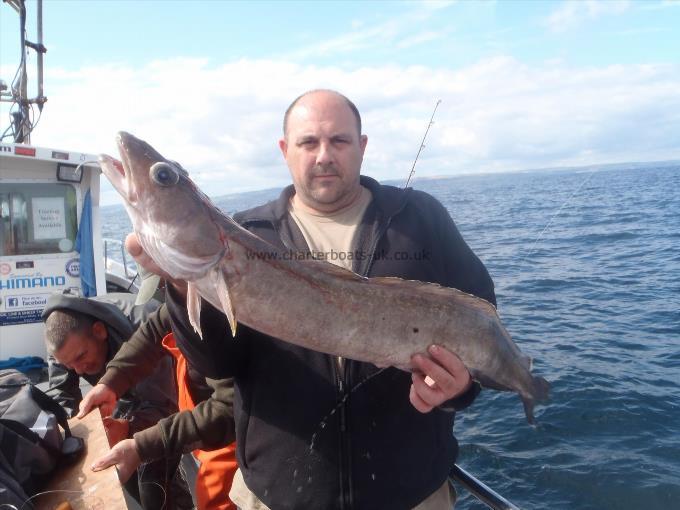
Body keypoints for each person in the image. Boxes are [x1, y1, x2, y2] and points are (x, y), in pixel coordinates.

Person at [126, 89, 496, 510]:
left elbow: (480, 321)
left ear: (362, 146)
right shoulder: (250, 233)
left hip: (412, 496)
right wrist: (178, 284)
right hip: (278, 497)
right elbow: (218, 365)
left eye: (339, 140)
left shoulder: (421, 218)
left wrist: (460, 388)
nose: (324, 155)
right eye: (308, 142)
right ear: (285, 151)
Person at [77, 304, 239, 510]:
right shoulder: (182, 291)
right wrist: (110, 383)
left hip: (237, 439)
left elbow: (228, 408)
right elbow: (156, 328)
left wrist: (140, 444)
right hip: (200, 432)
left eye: (81, 356)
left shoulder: (221, 306)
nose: (78, 370)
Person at [42, 291, 193, 510]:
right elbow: (61, 393)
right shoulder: (61, 344)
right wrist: (68, 432)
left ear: (99, 331)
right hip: (120, 393)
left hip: (165, 390)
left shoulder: (144, 327)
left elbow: (164, 406)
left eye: (81, 357)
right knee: (123, 469)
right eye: (68, 365)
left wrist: (129, 428)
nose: (78, 369)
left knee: (154, 477)